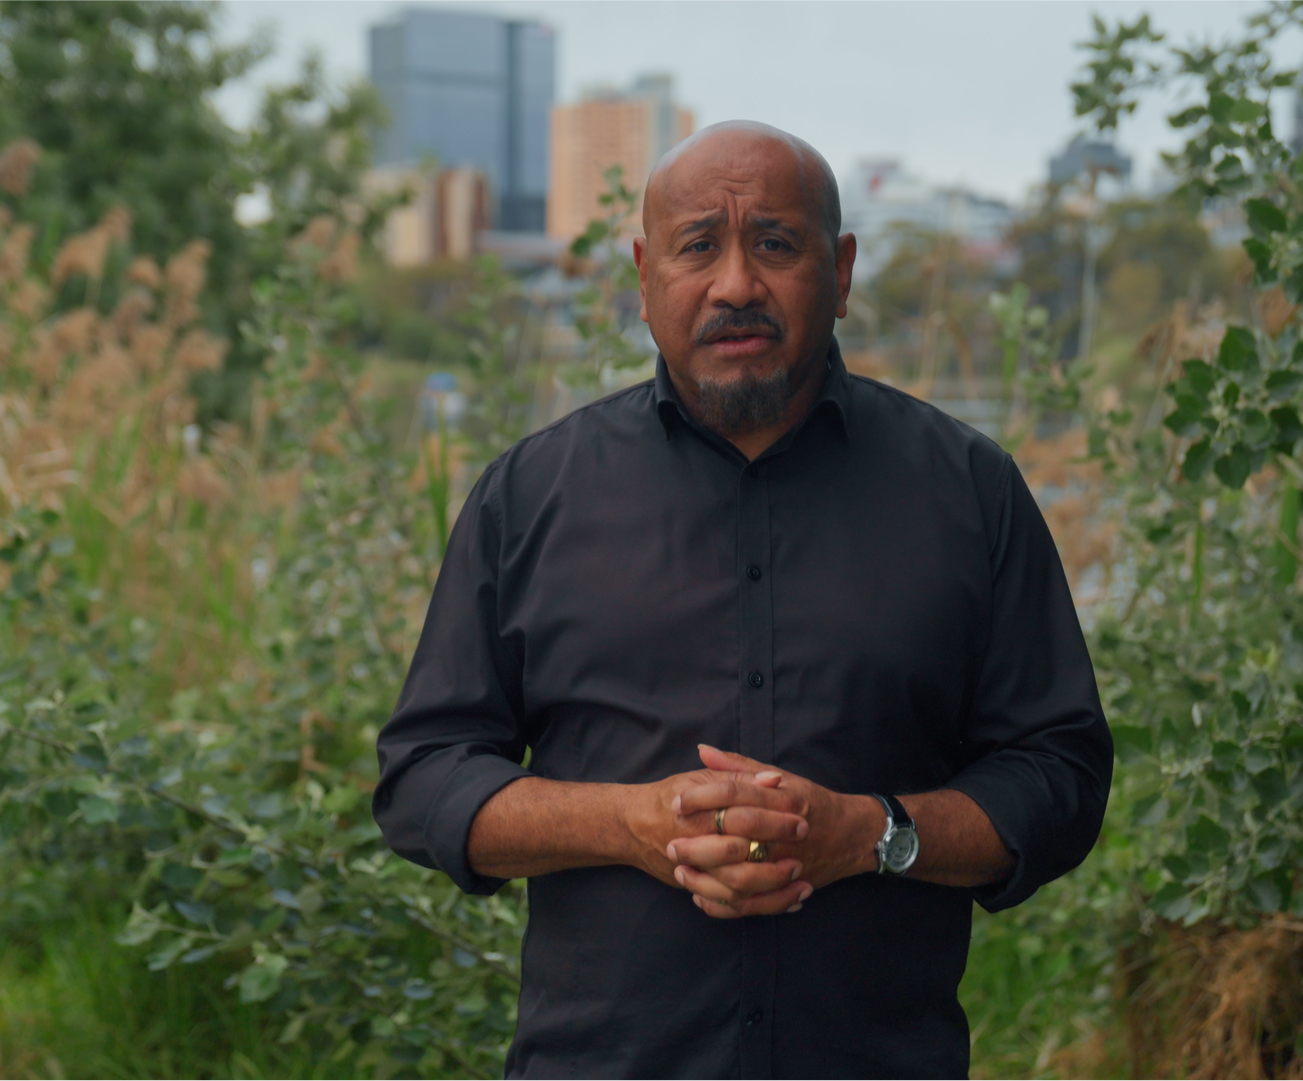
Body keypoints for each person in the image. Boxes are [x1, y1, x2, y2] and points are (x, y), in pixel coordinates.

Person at [374, 120, 1112, 1080]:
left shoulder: (969, 491)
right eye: (697, 247)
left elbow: (1061, 778)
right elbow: (422, 778)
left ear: (839, 271)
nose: (734, 286)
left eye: (774, 243)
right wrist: (627, 825)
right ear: (644, 278)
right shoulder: (530, 498)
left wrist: (872, 834)